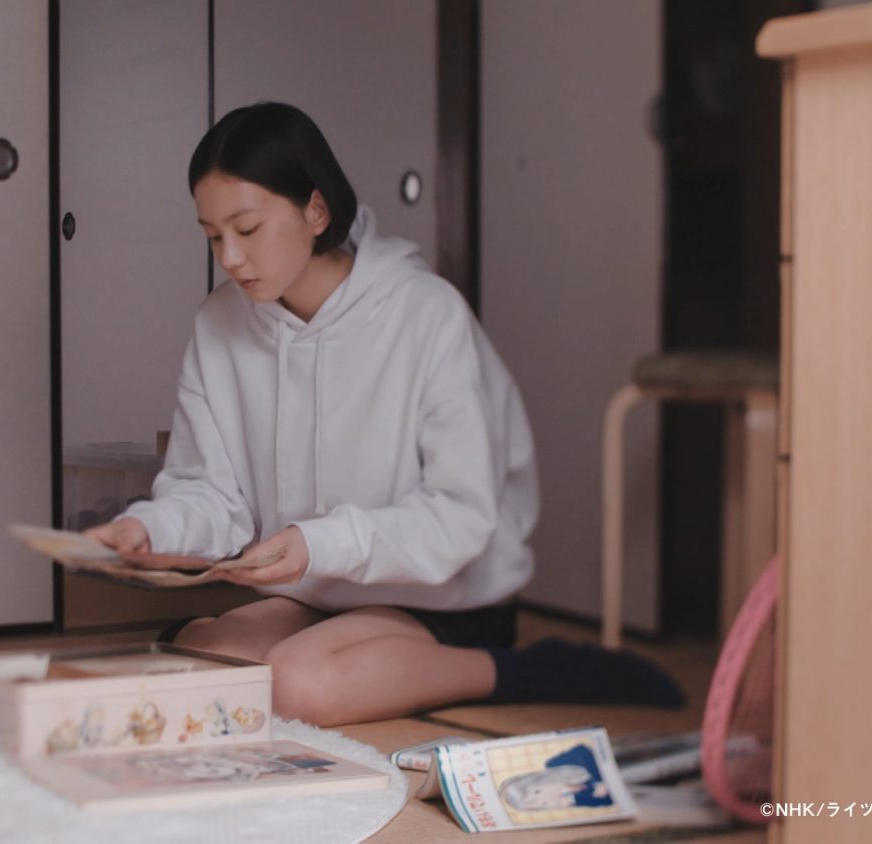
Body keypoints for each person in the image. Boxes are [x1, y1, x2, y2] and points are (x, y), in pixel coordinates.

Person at [86, 102, 681, 727]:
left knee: (301, 687)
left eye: (248, 229)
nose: (230, 257)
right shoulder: (218, 326)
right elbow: (211, 491)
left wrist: (320, 542)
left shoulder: (426, 314)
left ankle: (521, 670)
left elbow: (461, 516)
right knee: (200, 660)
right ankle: (319, 651)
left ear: (316, 211)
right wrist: (150, 528)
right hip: (314, 592)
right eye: (213, 236)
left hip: (438, 595)